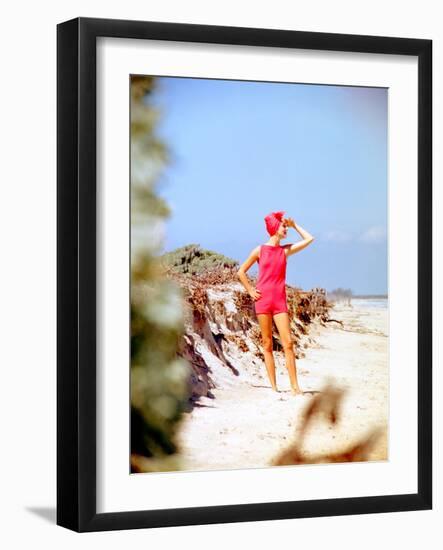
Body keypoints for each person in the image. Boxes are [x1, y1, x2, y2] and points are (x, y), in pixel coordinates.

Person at [237, 211, 314, 395]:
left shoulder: (284, 250)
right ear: (274, 228)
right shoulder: (259, 250)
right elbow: (241, 272)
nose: (285, 228)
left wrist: (295, 225)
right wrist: (250, 290)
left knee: (288, 343)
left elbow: (309, 239)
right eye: (283, 225)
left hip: (280, 302)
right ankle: (274, 387)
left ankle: (295, 387)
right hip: (263, 301)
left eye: (286, 226)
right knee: (267, 344)